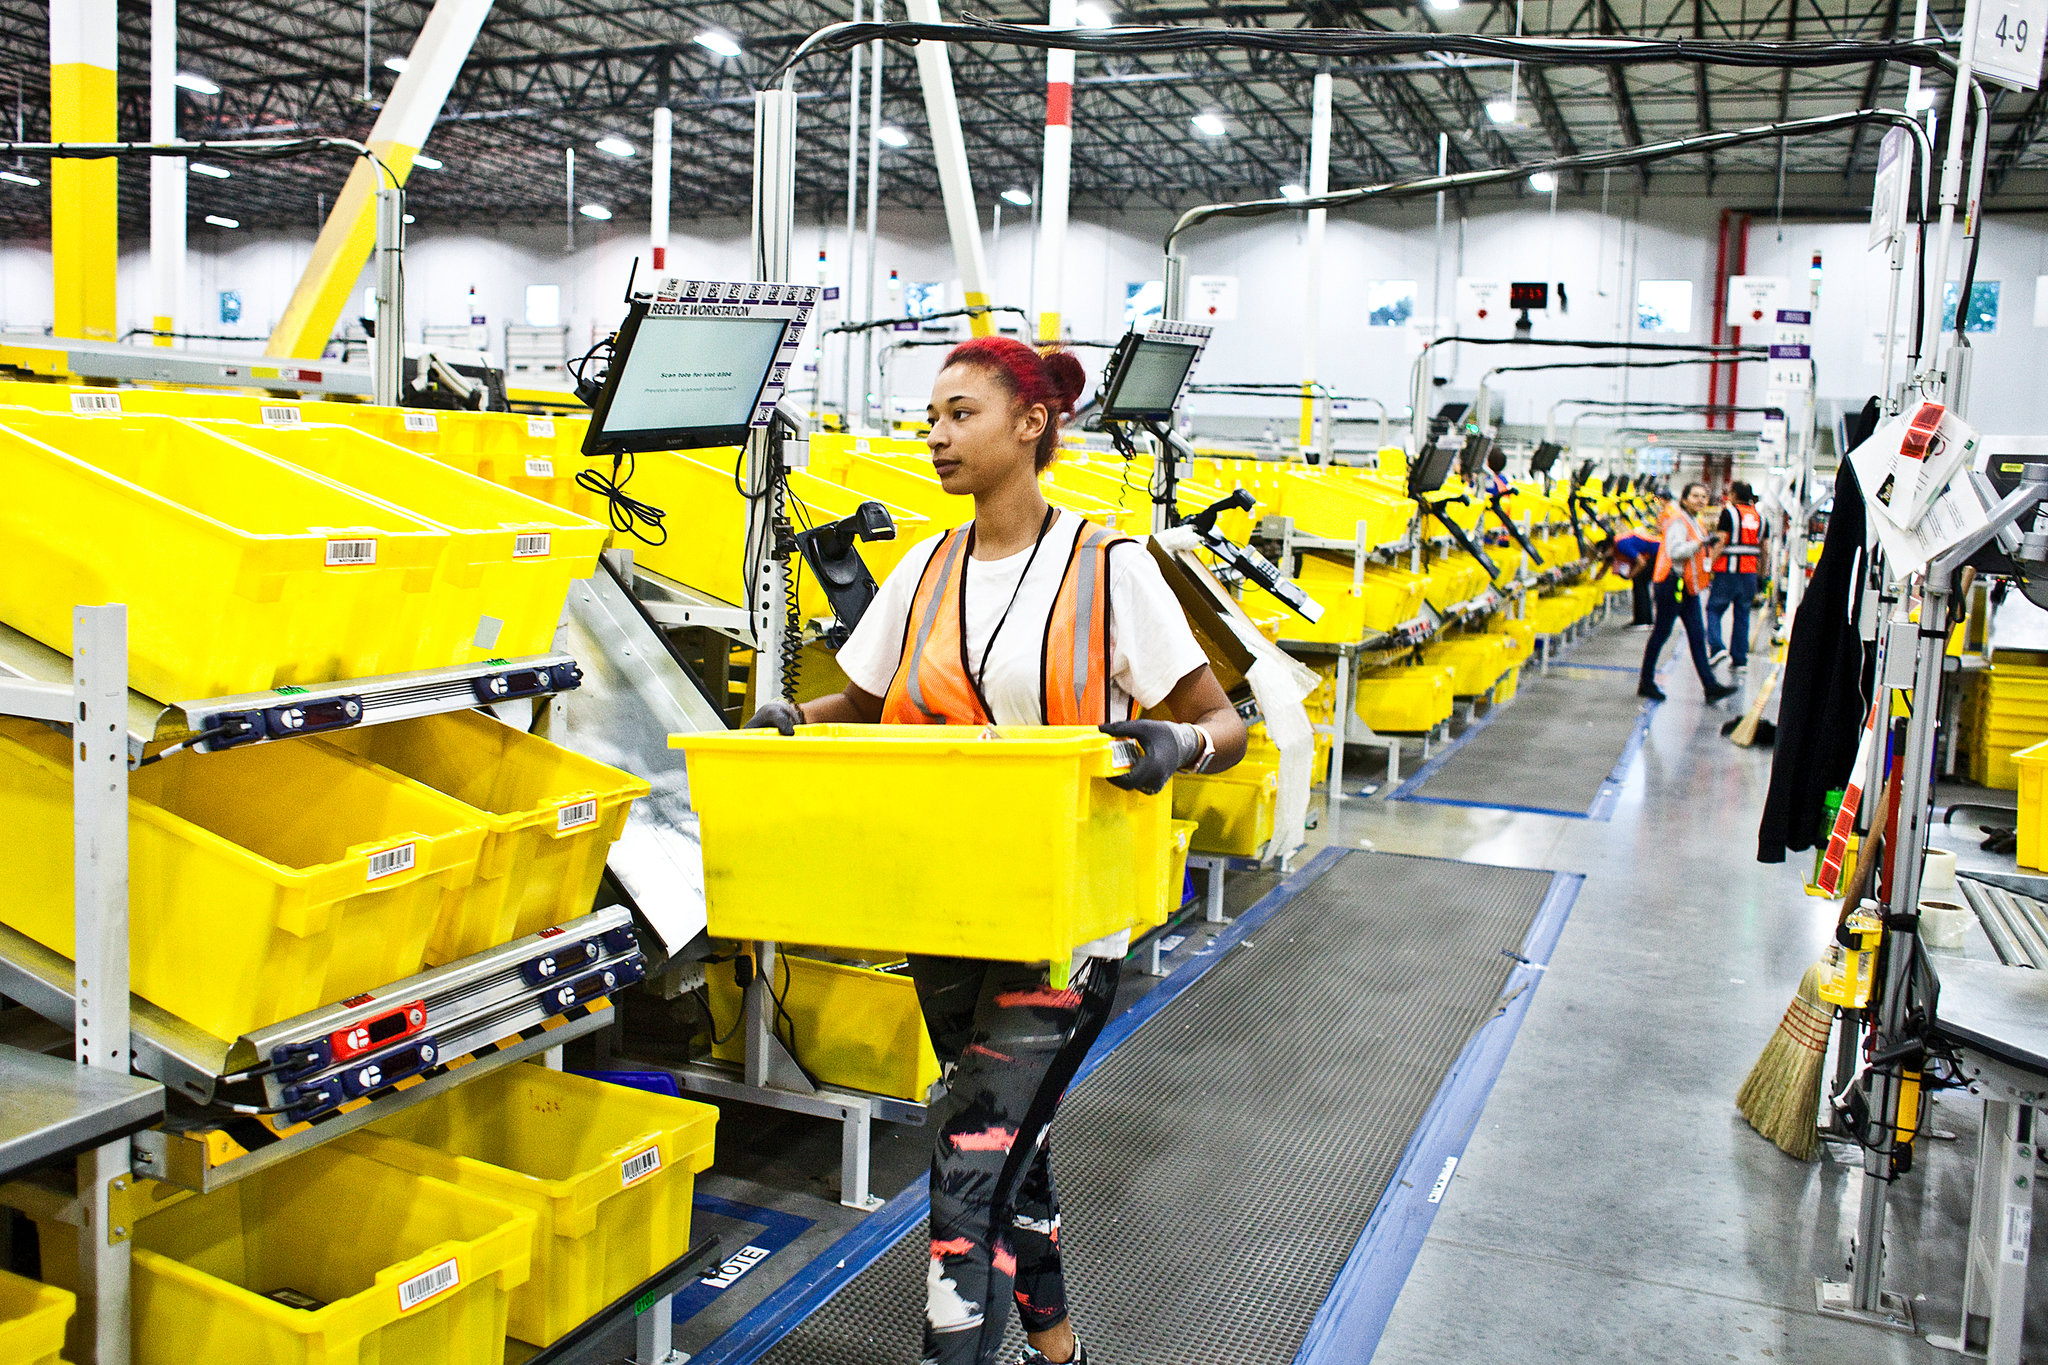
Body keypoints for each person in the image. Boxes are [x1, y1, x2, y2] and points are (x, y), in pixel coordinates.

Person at [742, 335, 1249, 1365]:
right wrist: (793, 718)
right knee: (1011, 1148)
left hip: (1063, 922)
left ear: (1030, 424)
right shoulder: (925, 568)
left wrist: (1175, 745)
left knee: (966, 1171)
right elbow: (867, 704)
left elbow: (1221, 719)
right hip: (947, 905)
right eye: (930, 417)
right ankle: (1058, 1351)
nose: (935, 435)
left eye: (960, 414)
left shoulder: (1110, 567)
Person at [1639, 481, 1737, 704]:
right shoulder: (1678, 521)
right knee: (1661, 633)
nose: (1700, 500)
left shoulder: (1695, 520)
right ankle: (1646, 681)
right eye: (1695, 496)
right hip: (1671, 585)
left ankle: (1710, 686)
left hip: (1687, 587)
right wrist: (1700, 543)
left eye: (1703, 496)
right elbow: (1675, 551)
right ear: (1684, 499)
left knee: (1696, 635)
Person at [1705, 481, 1767, 670]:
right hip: (1749, 574)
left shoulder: (1729, 513)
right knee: (1742, 615)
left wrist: (1707, 566)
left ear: (1733, 495)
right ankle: (1739, 659)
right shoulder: (1761, 518)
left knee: (1714, 609)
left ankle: (1717, 648)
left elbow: (1721, 541)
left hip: (1727, 573)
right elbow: (1765, 549)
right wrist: (1762, 575)